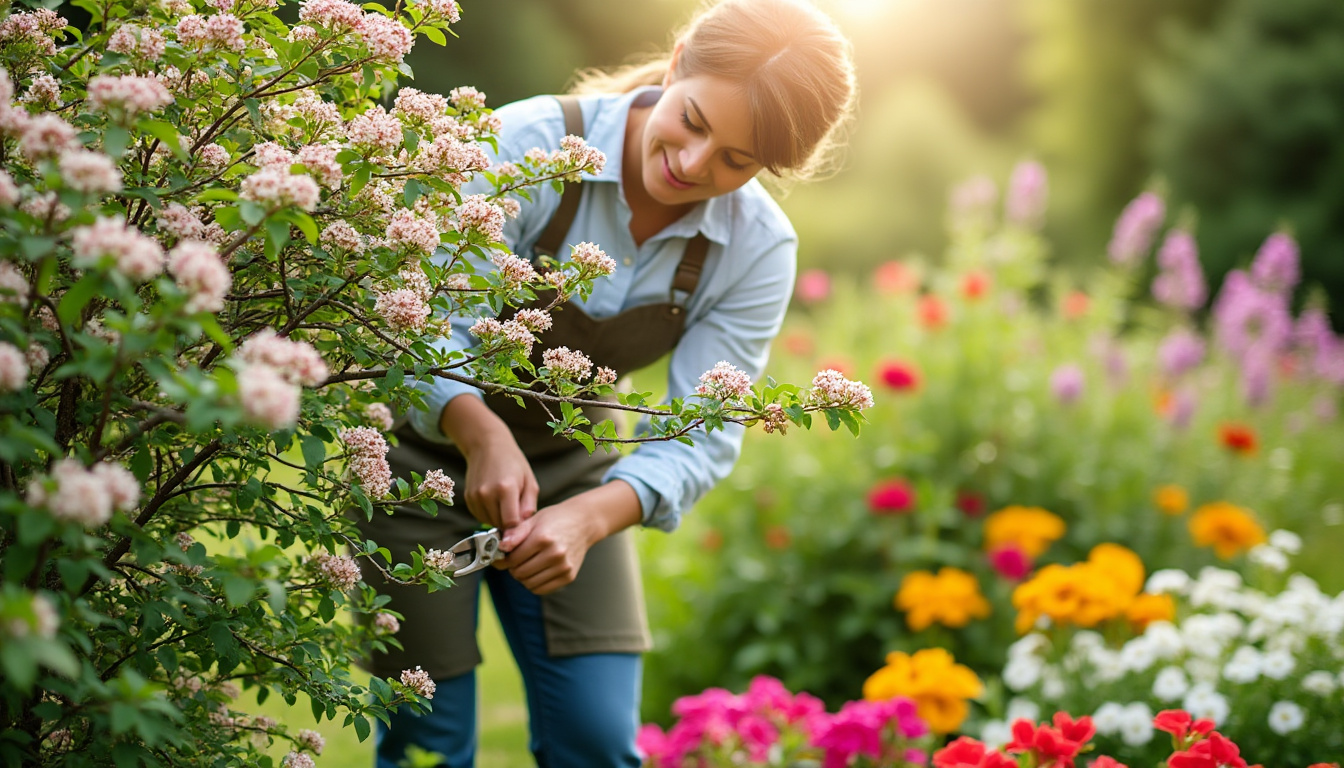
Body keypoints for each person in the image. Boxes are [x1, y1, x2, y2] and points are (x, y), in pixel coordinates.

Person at [359, 0, 856, 765]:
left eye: (736, 160)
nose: (693, 166)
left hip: (574, 470)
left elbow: (704, 428)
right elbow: (418, 318)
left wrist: (590, 518)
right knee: (431, 734)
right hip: (417, 459)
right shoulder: (526, 144)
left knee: (595, 739)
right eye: (693, 121)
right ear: (681, 58)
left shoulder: (756, 248)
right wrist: (478, 430)